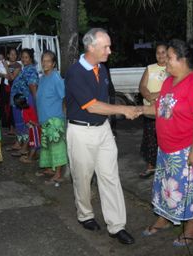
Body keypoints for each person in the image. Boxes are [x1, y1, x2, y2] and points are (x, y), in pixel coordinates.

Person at [65, 28, 141, 245]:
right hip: (81, 131)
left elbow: (104, 100)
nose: (110, 50)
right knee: (83, 178)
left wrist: (116, 115)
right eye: (106, 46)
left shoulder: (103, 69)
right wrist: (123, 110)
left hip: (103, 130)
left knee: (110, 177)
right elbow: (92, 106)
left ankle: (117, 226)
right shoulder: (75, 72)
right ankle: (85, 214)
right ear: (91, 47)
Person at [141, 39, 193, 247]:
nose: (166, 62)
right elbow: (160, 110)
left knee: (188, 189)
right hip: (166, 148)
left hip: (186, 148)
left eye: (170, 58)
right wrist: (136, 110)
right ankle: (163, 219)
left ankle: (191, 229)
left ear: (183, 59)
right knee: (165, 186)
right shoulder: (167, 82)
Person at [35, 51, 68, 184]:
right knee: (47, 146)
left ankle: (58, 174)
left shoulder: (56, 78)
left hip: (55, 119)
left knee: (56, 147)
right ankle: (50, 169)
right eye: (43, 60)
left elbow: (64, 97)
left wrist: (63, 118)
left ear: (54, 64)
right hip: (45, 119)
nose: (45, 63)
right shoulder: (42, 78)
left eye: (48, 61)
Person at [139, 42, 168, 179]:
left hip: (165, 112)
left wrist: (154, 95)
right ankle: (151, 167)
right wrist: (148, 96)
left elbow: (170, 89)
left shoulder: (171, 68)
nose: (160, 55)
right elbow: (142, 86)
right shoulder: (150, 68)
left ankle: (165, 168)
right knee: (150, 139)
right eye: (158, 52)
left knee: (164, 140)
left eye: (163, 52)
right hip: (150, 112)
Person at [9, 48, 38, 157]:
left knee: (26, 124)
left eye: (26, 57)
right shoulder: (25, 69)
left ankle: (25, 147)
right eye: (22, 57)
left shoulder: (30, 70)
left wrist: (35, 102)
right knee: (21, 124)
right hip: (19, 102)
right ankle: (21, 144)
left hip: (25, 102)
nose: (23, 59)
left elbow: (33, 86)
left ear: (30, 58)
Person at [13, 93, 41, 164]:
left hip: (34, 129)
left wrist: (38, 125)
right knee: (32, 143)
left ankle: (30, 158)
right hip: (33, 129)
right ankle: (31, 156)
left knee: (33, 144)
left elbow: (30, 121)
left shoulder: (24, 111)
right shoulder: (29, 107)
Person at [0, 48, 22, 136]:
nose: (13, 56)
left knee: (13, 107)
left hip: (13, 88)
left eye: (15, 54)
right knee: (5, 107)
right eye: (11, 54)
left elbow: (12, 77)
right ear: (8, 55)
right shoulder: (4, 63)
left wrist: (6, 67)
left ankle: (13, 128)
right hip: (4, 88)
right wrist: (3, 74)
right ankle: (9, 127)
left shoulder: (18, 65)